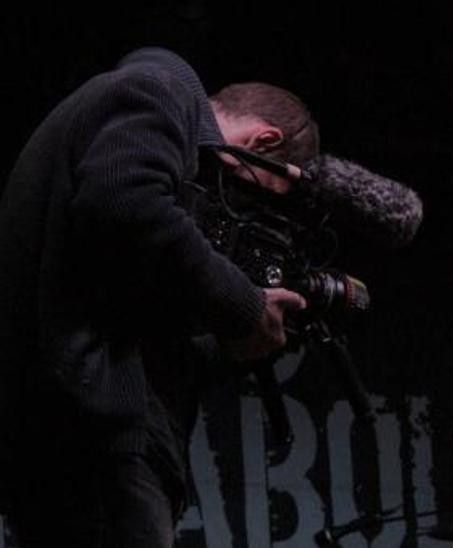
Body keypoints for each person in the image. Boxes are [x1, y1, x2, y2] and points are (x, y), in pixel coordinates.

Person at [0, 47, 319, 547]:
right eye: (259, 191)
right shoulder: (161, 91)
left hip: (76, 442)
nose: (239, 203)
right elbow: (126, 201)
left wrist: (232, 345)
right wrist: (244, 305)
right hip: (97, 448)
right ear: (265, 140)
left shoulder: (136, 122)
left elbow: (133, 318)